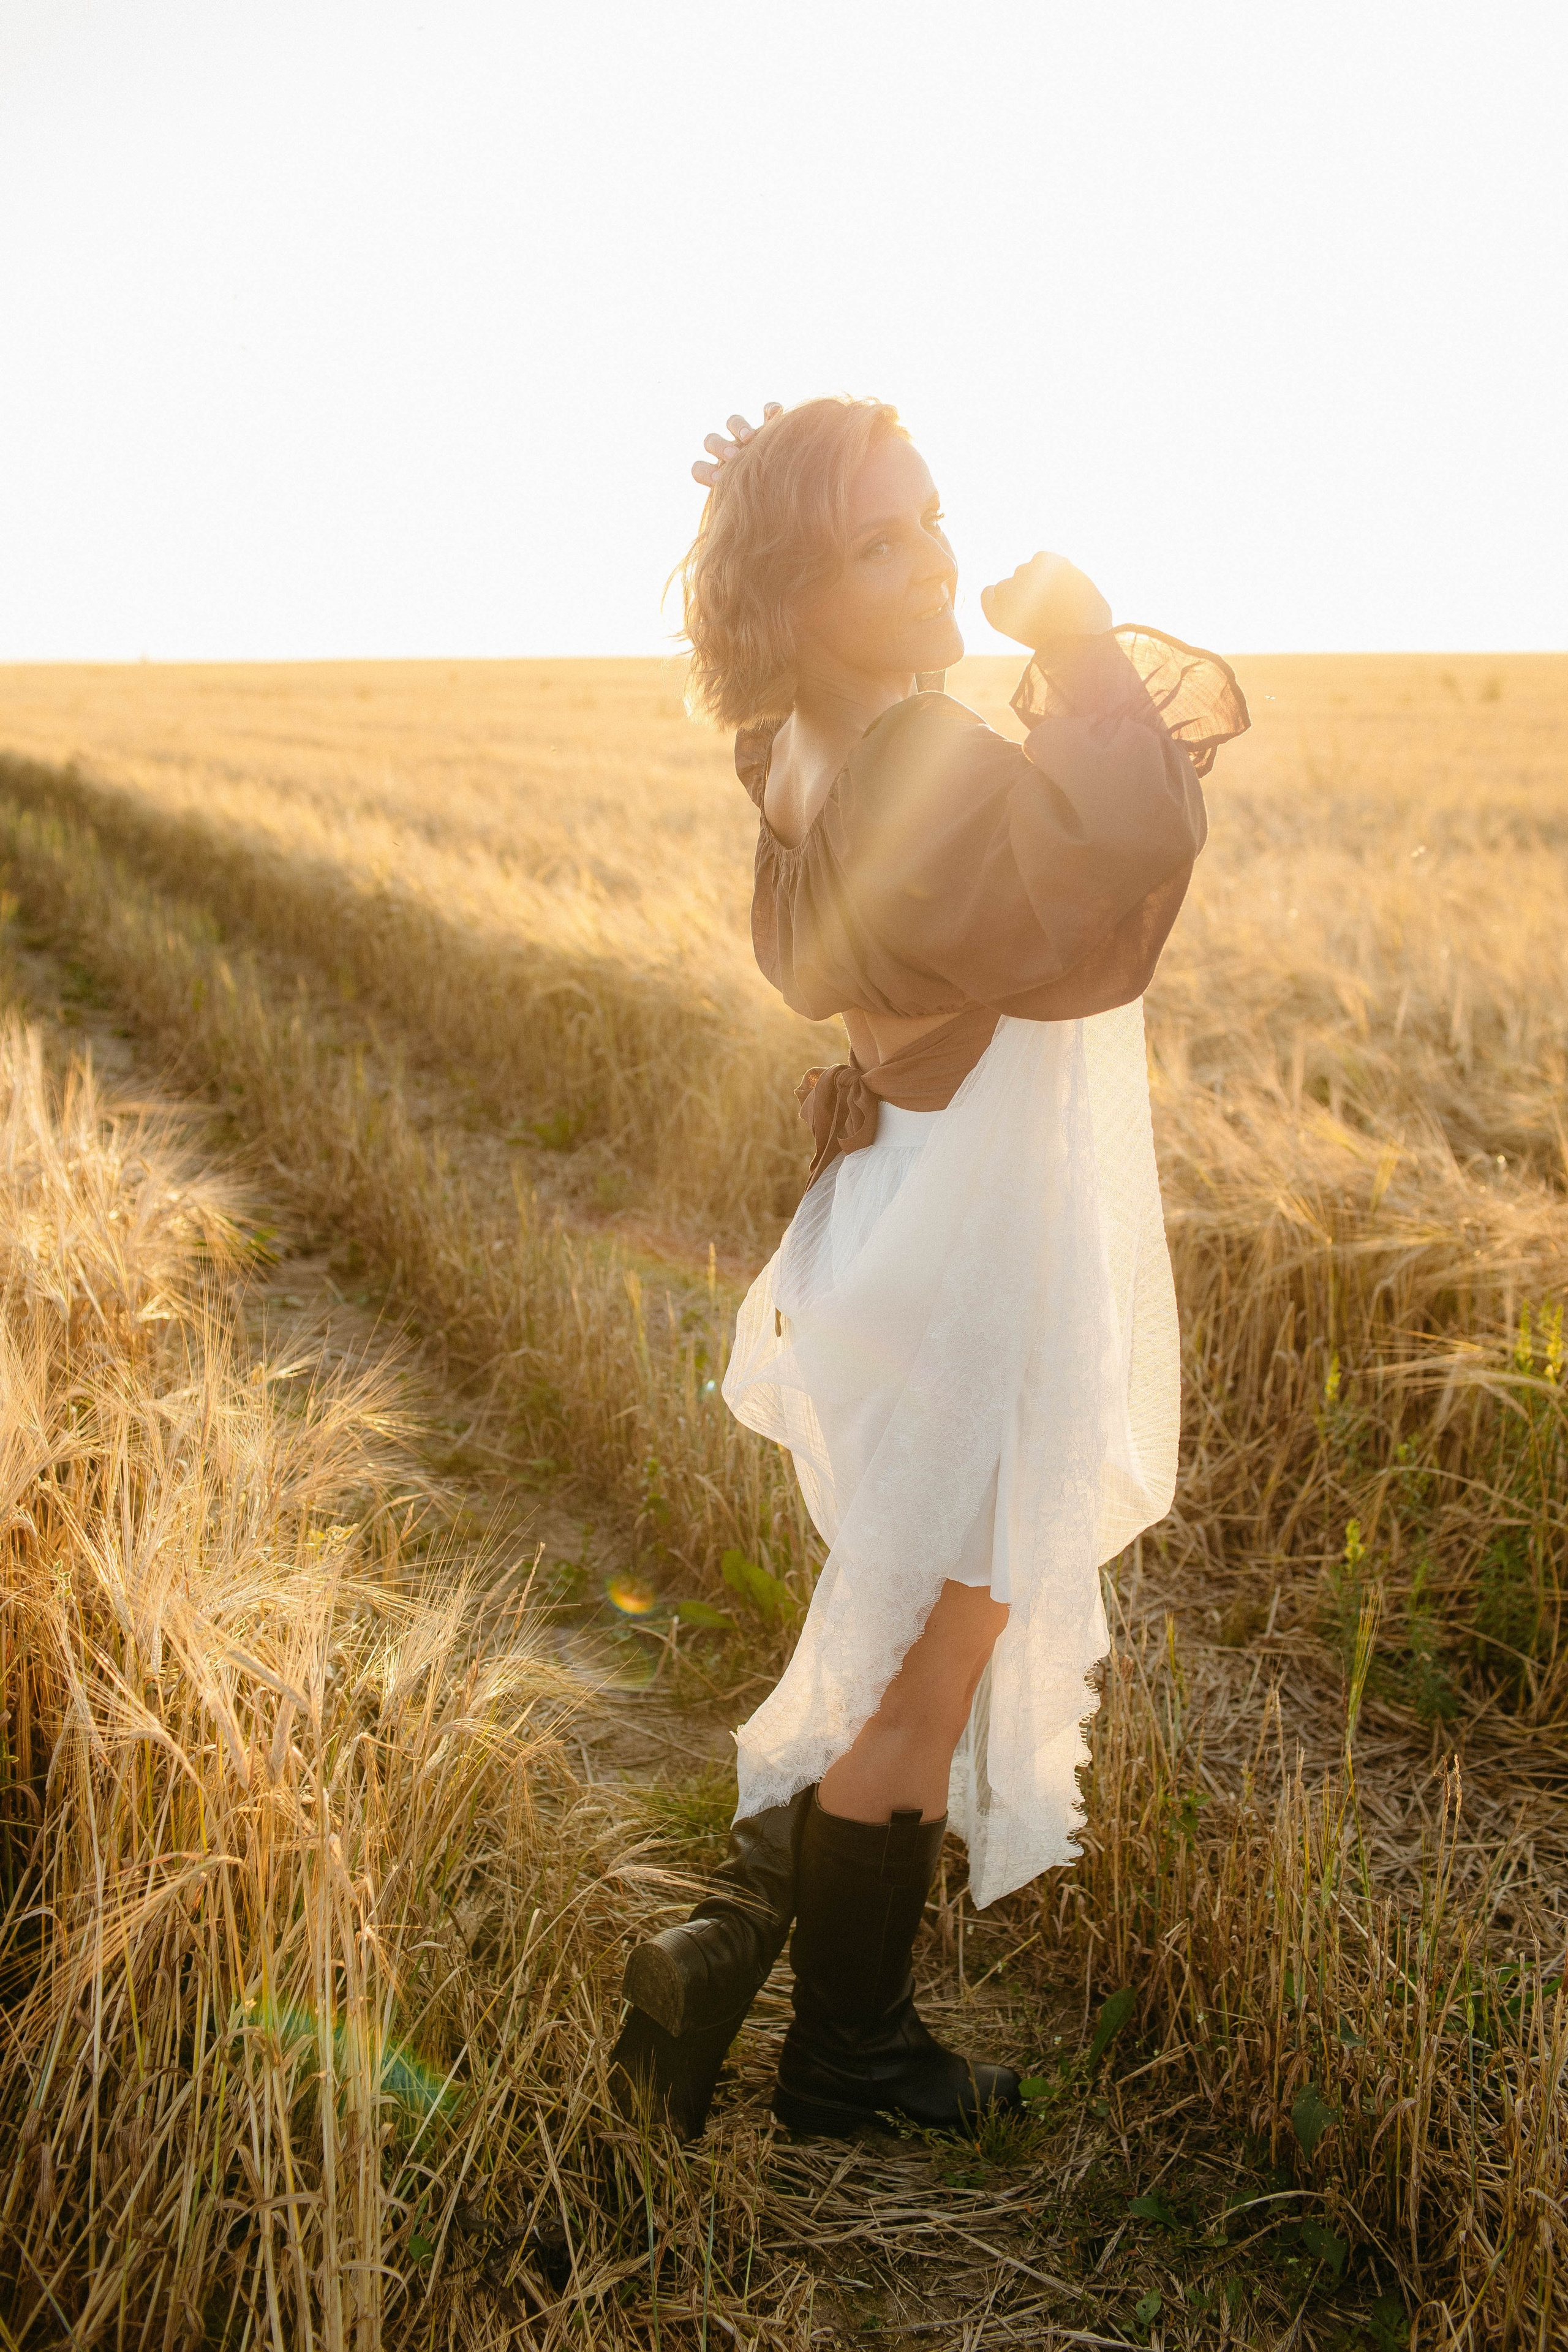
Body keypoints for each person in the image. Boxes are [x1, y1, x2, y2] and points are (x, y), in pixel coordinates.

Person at [611, 396, 1248, 2142]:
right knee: (941, 1644)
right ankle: (846, 2056)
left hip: (905, 1203)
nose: (938, 558)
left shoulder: (811, 753)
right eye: (877, 544)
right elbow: (1124, 846)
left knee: (906, 1620)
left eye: (932, 514)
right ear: (793, 600)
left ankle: (748, 1934)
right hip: (982, 1234)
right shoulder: (915, 758)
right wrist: (1089, 644)